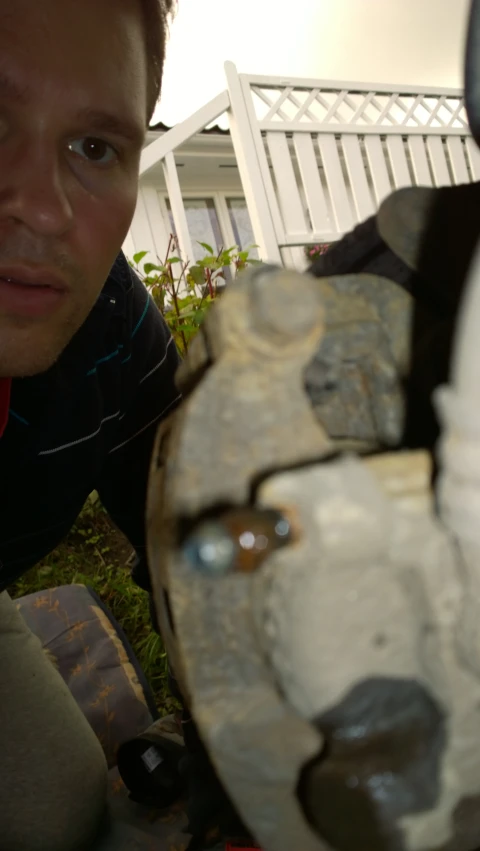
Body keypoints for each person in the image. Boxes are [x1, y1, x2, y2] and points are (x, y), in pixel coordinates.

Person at [0, 1, 180, 849]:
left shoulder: (111, 331)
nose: (42, 209)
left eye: (94, 147)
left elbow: (185, 526)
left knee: (63, 812)